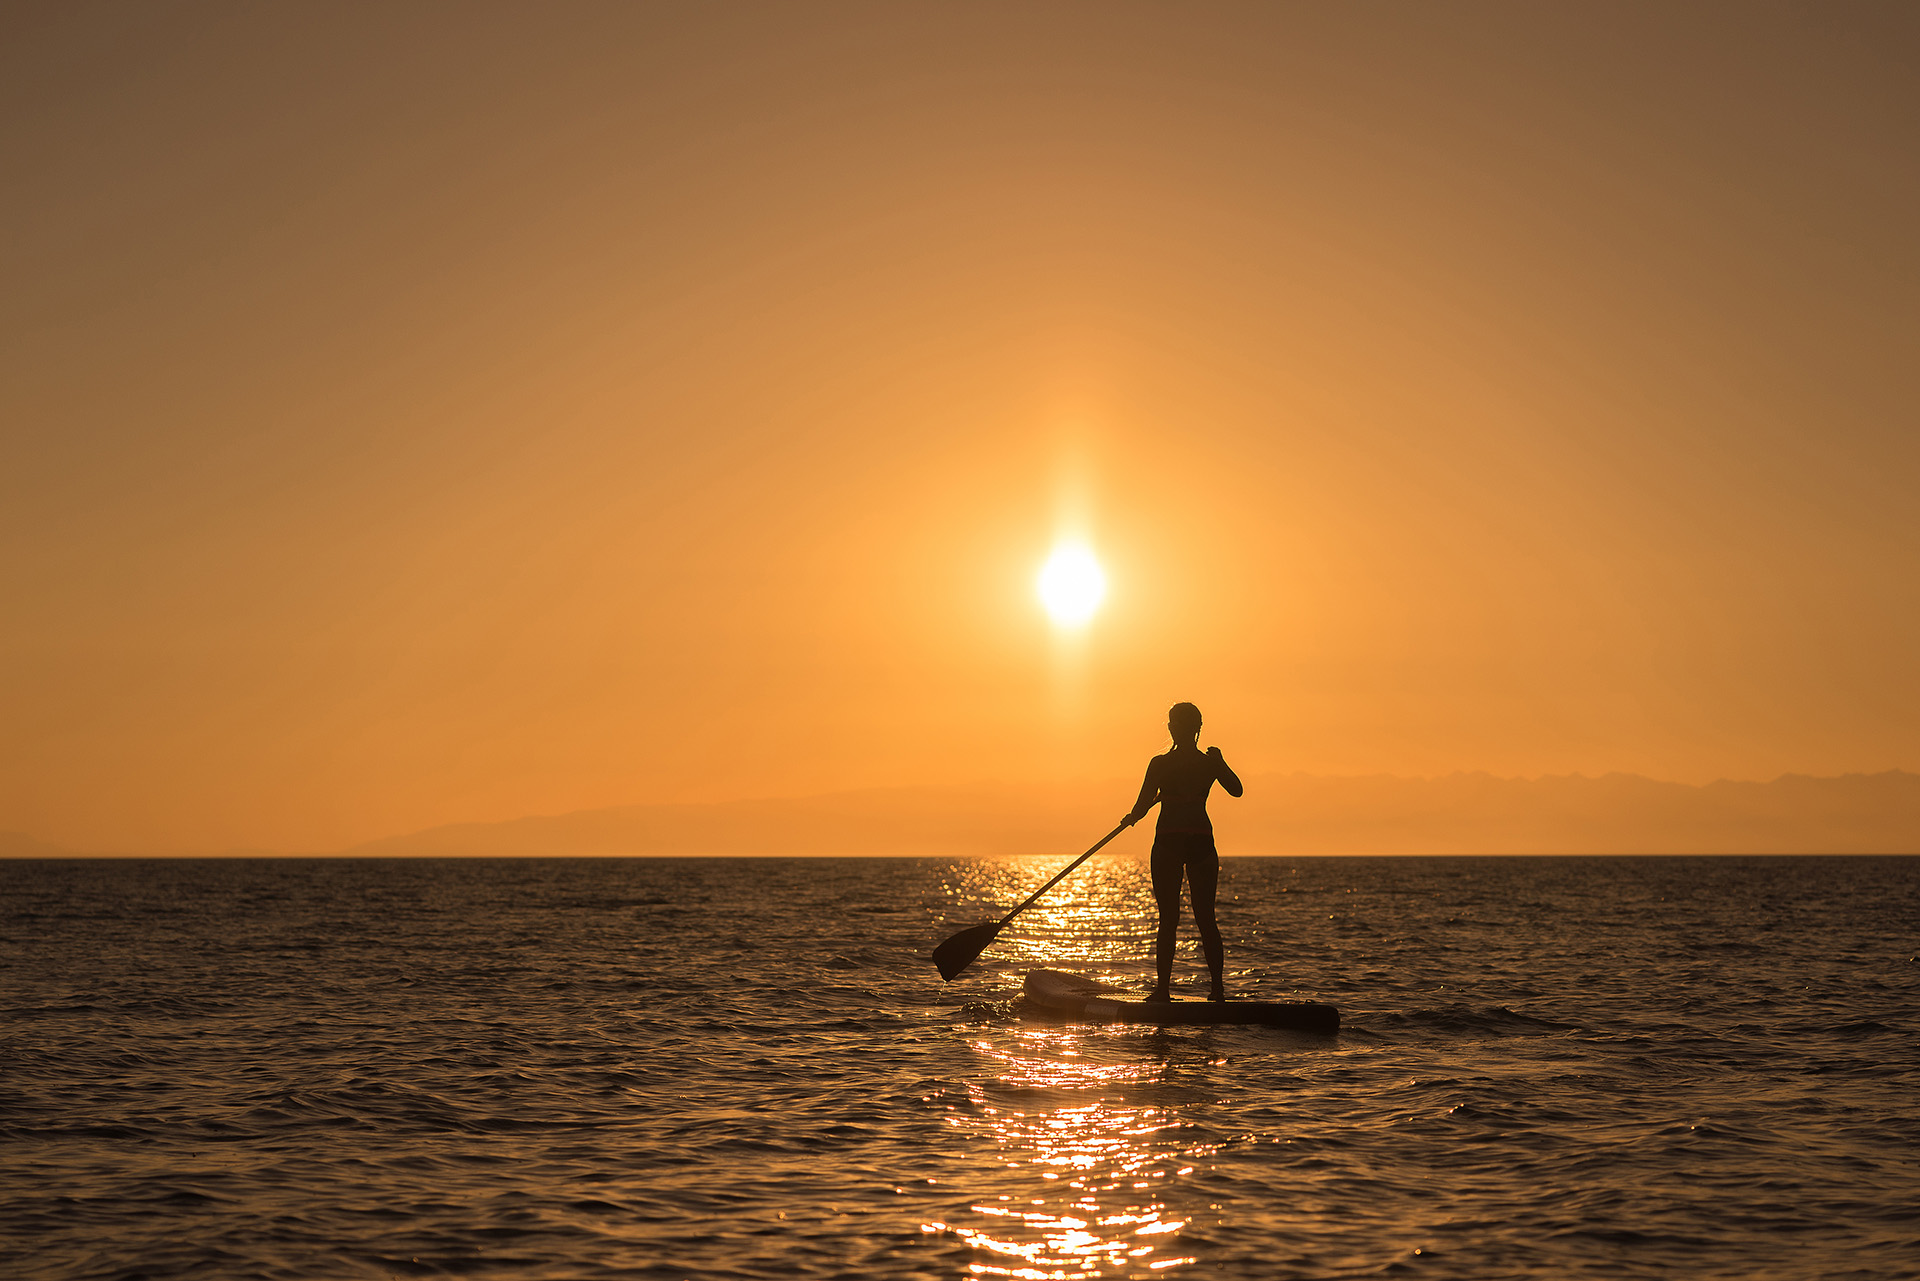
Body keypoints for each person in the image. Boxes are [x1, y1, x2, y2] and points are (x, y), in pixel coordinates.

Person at [1122, 702, 1243, 1002]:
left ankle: (1163, 991)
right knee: (1206, 919)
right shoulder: (1208, 764)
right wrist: (1221, 763)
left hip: (1169, 842)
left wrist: (1131, 818)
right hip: (1201, 840)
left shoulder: (1160, 764)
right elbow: (1236, 789)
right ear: (1198, 729)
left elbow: (1141, 806)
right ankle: (1217, 991)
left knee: (1169, 919)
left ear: (1171, 728)